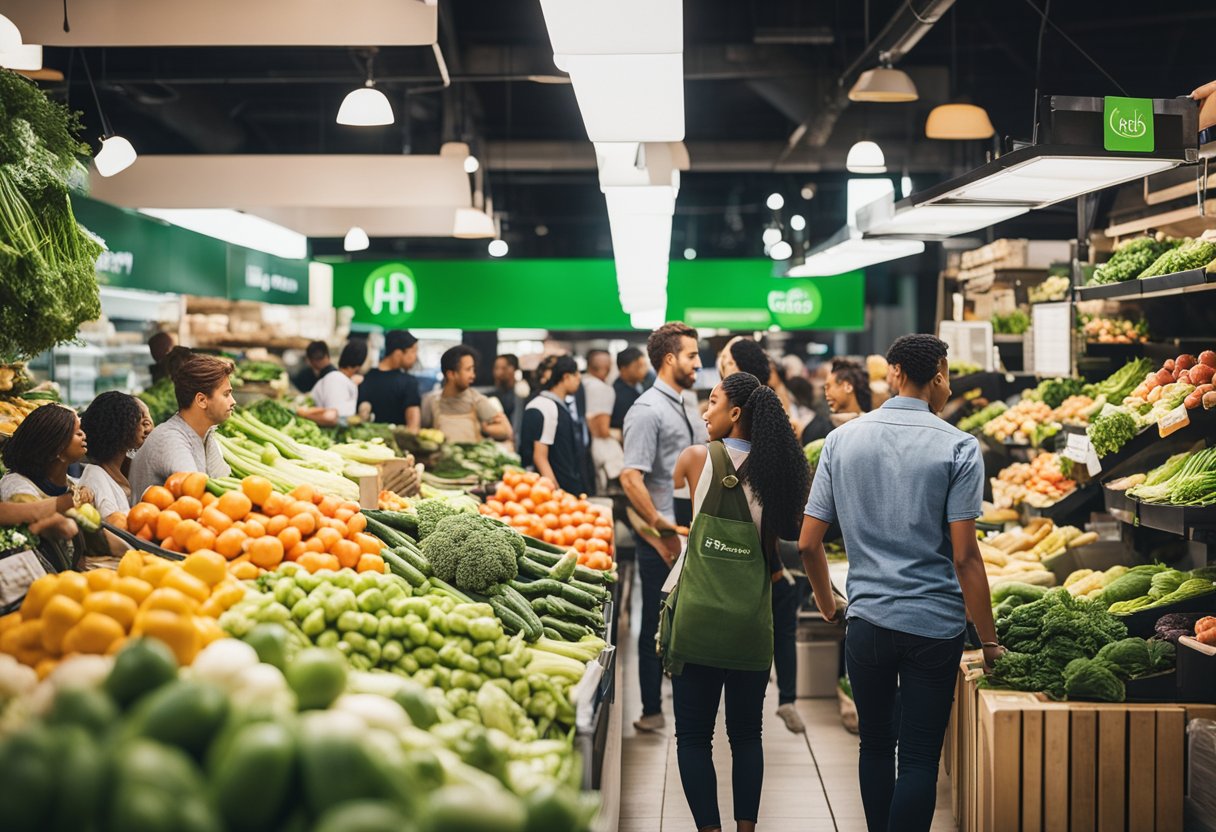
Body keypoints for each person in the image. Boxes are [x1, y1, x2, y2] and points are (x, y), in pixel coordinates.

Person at [799, 334, 1003, 832]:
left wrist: (829, 604)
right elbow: (965, 557)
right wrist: (989, 639)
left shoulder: (842, 440)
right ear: (938, 376)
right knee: (917, 757)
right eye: (947, 376)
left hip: (867, 620)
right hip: (934, 626)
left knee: (874, 745)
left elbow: (808, 543)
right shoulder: (959, 446)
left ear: (895, 374)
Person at [667, 372, 810, 832]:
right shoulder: (777, 474)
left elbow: (681, 527)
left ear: (735, 413)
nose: (704, 412)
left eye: (712, 402)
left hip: (697, 616)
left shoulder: (694, 459)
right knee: (747, 735)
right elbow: (784, 540)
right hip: (750, 618)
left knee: (693, 737)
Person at [712, 336, 806, 734]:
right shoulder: (774, 412)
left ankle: (768, 693)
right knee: (778, 626)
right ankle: (785, 698)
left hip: (749, 558)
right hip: (769, 556)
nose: (720, 363)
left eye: (726, 359)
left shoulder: (724, 437)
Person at [621, 321, 707, 733]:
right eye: (692, 355)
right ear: (670, 359)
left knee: (686, 618)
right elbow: (630, 477)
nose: (698, 363)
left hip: (691, 532)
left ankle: (681, 697)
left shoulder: (686, 404)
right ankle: (651, 709)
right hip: (662, 539)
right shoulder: (647, 410)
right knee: (656, 620)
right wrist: (658, 525)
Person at [0, 404, 98, 573]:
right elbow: (29, 513)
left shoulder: (71, 484)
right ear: (56, 449)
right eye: (76, 432)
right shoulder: (16, 484)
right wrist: (69, 505)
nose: (83, 434)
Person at [129, 349, 235, 501]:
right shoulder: (170, 439)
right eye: (226, 394)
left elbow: (222, 480)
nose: (233, 401)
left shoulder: (205, 434)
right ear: (201, 400)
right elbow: (195, 497)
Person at [519, 355, 590, 494]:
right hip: (551, 490)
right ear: (566, 377)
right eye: (576, 376)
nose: (579, 380)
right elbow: (540, 457)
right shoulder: (546, 406)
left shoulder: (555, 405)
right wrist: (555, 492)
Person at [78, 392, 149, 522]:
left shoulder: (126, 468)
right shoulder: (95, 476)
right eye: (137, 420)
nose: (144, 428)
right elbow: (116, 525)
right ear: (121, 427)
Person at [421, 346, 512, 445]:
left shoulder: (478, 400)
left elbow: (506, 431)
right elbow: (420, 433)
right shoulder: (431, 401)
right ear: (451, 374)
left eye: (473, 370)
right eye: (468, 370)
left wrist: (485, 428)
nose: (473, 375)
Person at [358, 330, 422, 430]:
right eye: (413, 351)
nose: (415, 357)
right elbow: (413, 426)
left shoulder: (365, 378)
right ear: (398, 353)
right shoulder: (409, 382)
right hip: (397, 439)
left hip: (366, 438)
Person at [298, 340, 368, 427]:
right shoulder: (336, 379)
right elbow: (332, 417)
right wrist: (303, 414)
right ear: (359, 366)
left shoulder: (337, 379)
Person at [582, 349, 622, 493]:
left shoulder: (582, 383)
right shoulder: (602, 389)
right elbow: (601, 430)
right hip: (598, 451)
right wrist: (618, 434)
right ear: (607, 367)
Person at [823, 357, 872, 425]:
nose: (826, 393)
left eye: (828, 387)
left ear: (848, 387)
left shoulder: (870, 423)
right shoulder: (824, 426)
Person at [490, 354, 527, 440]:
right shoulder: (494, 394)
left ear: (512, 369)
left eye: (503, 368)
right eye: (496, 368)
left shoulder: (521, 392)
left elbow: (517, 423)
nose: (498, 373)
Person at [610, 347, 648, 431]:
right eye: (638, 367)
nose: (644, 370)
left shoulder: (642, 384)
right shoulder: (618, 394)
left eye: (644, 365)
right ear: (623, 369)